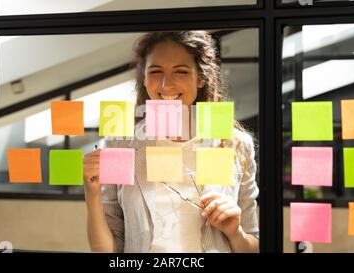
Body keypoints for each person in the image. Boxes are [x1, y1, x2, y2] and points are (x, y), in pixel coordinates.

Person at [84, 31, 259, 253]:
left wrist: (235, 233)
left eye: (181, 71)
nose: (167, 84)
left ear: (200, 78)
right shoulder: (119, 145)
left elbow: (253, 245)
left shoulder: (235, 145)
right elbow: (108, 251)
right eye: (156, 71)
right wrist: (92, 193)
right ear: (144, 78)